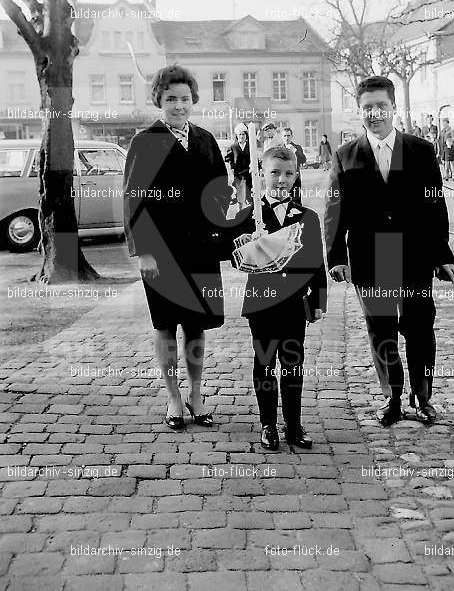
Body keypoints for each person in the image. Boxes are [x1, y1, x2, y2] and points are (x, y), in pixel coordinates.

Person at [325, 75, 454, 427]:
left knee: (419, 327)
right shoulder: (346, 155)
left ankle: (423, 397)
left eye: (381, 106)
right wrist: (336, 257)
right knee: (381, 330)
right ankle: (392, 397)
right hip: (370, 256)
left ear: (393, 107)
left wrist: (442, 255)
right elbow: (335, 210)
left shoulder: (420, 150)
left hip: (414, 254)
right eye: (367, 107)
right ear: (359, 111)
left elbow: (435, 206)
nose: (375, 113)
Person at [123, 65, 231, 430]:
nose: (179, 106)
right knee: (166, 326)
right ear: (159, 100)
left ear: (193, 100)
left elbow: (220, 188)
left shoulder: (205, 140)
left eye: (185, 99)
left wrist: (221, 225)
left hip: (200, 250)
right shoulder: (145, 141)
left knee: (197, 326)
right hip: (161, 252)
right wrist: (143, 251)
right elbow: (133, 199)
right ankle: (173, 398)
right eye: (171, 99)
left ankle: (196, 394)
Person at [228, 146, 327, 451]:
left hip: (294, 304)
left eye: (288, 174)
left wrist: (319, 301)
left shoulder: (307, 217)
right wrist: (246, 243)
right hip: (262, 303)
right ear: (262, 174)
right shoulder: (249, 216)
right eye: (274, 173)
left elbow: (316, 262)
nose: (281, 180)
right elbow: (233, 257)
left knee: (293, 363)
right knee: (265, 362)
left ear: (296, 176)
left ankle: (294, 425)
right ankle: (268, 424)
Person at [224, 123, 252, 210]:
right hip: (238, 175)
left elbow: (254, 159)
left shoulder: (250, 146)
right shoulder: (233, 147)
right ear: (237, 135)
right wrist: (232, 168)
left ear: (246, 135)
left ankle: (252, 213)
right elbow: (228, 159)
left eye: (243, 134)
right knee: (240, 197)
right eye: (240, 134)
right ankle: (240, 213)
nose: (242, 136)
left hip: (249, 174)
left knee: (250, 195)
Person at [282, 126, 306, 201]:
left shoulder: (297, 147)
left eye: (288, 135)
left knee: (297, 200)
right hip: (283, 178)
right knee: (285, 201)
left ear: (292, 136)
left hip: (295, 177)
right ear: (282, 137)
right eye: (285, 136)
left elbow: (303, 160)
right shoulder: (279, 149)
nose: (286, 138)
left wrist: (295, 151)